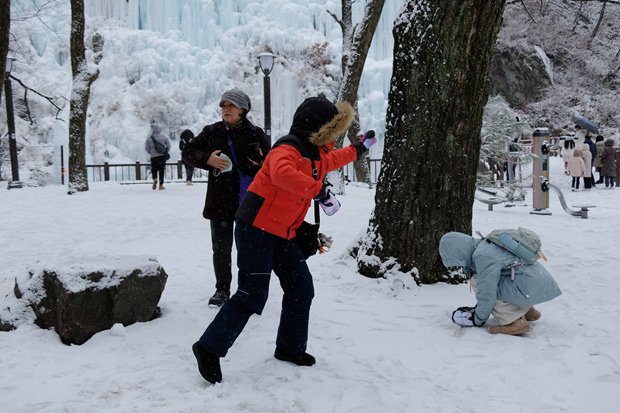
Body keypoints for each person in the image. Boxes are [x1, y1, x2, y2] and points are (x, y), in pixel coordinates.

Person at [191, 96, 377, 384]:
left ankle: (290, 347)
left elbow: (333, 159)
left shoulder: (315, 154)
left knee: (301, 288)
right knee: (253, 295)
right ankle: (208, 348)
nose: (335, 137)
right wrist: (320, 192)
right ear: (318, 128)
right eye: (333, 130)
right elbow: (281, 174)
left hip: (282, 233)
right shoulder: (287, 148)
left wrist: (359, 149)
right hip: (255, 229)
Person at [182, 89, 270, 307]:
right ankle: (222, 289)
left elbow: (270, 165)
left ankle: (246, 287)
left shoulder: (256, 134)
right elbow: (188, 152)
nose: (226, 109)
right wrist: (207, 159)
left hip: (248, 199)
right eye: (223, 105)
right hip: (220, 200)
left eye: (231, 105)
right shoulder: (212, 131)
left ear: (243, 109)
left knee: (246, 247)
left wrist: (259, 164)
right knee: (221, 248)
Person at [439, 231, 561, 336]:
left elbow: (487, 293)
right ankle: (528, 311)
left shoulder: (482, 256)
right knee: (496, 279)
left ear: (459, 252)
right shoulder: (485, 244)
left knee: (481, 283)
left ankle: (515, 322)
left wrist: (478, 319)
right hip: (536, 280)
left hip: (529, 284)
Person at [144, 124, 171, 190]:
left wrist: (151, 153)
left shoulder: (149, 138)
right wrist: (165, 151)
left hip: (153, 157)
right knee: (161, 170)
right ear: (159, 129)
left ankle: (155, 178)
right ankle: (161, 185)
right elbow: (169, 145)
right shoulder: (163, 137)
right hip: (162, 157)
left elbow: (146, 148)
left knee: (154, 169)